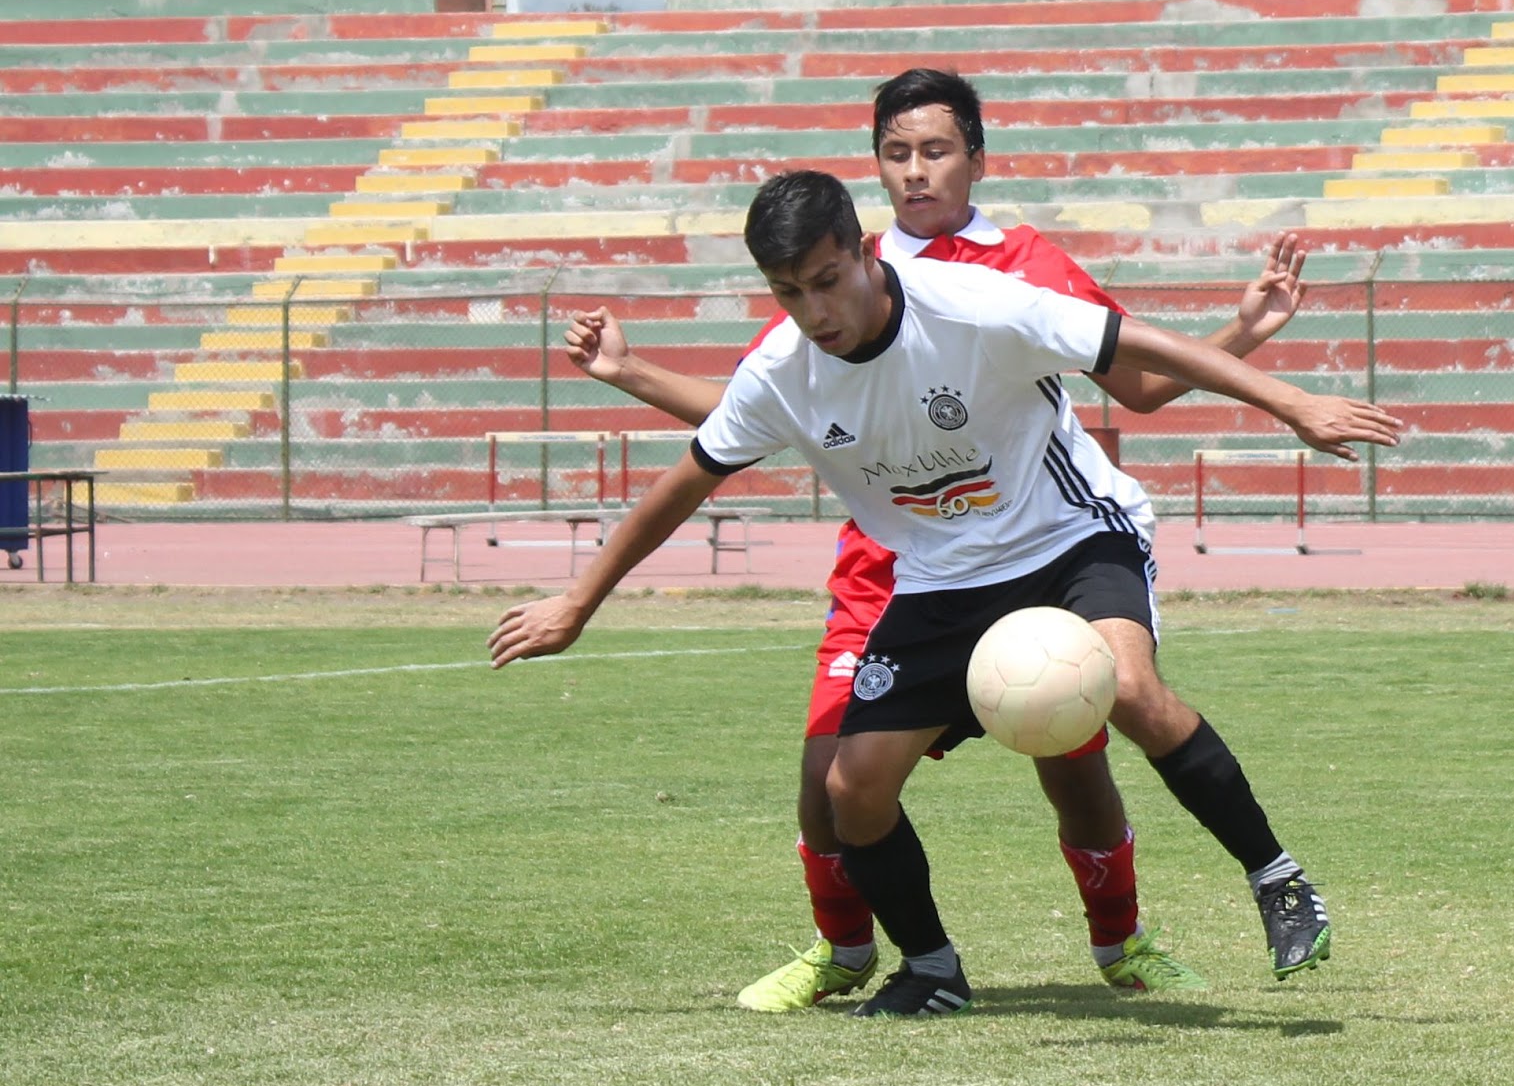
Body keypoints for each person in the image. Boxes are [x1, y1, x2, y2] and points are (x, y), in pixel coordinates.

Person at [491, 170, 1401, 1018]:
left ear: (866, 253)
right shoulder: (781, 369)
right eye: (788, 292)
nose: (815, 310)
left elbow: (1137, 351)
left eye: (827, 279)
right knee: (853, 788)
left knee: (1125, 690)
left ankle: (1276, 877)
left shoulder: (975, 304)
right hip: (939, 579)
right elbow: (686, 481)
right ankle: (930, 967)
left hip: (1069, 537)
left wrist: (1290, 402)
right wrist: (579, 602)